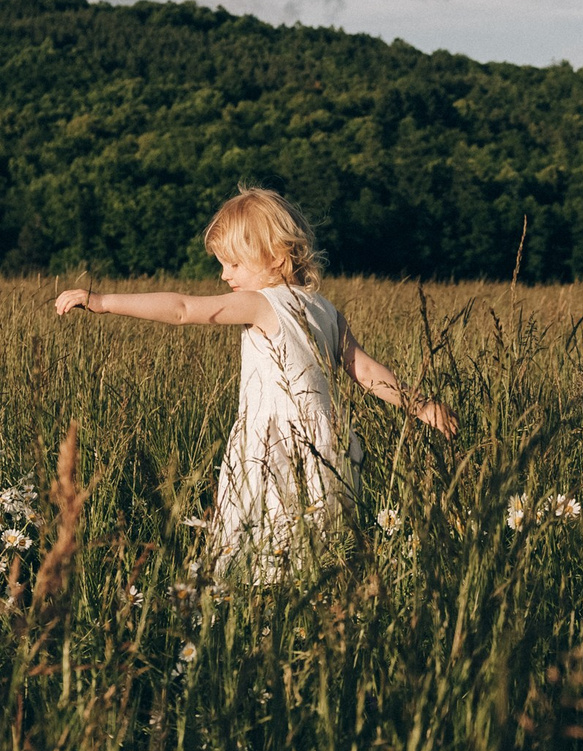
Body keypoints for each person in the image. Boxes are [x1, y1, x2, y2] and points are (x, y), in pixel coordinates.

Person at [54, 188, 454, 570]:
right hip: (326, 445)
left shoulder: (262, 302)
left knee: (259, 547)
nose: (226, 275)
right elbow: (364, 370)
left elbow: (181, 309)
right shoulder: (326, 310)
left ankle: (258, 619)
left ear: (277, 259)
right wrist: (422, 407)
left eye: (234, 264)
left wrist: (103, 302)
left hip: (270, 446)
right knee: (317, 548)